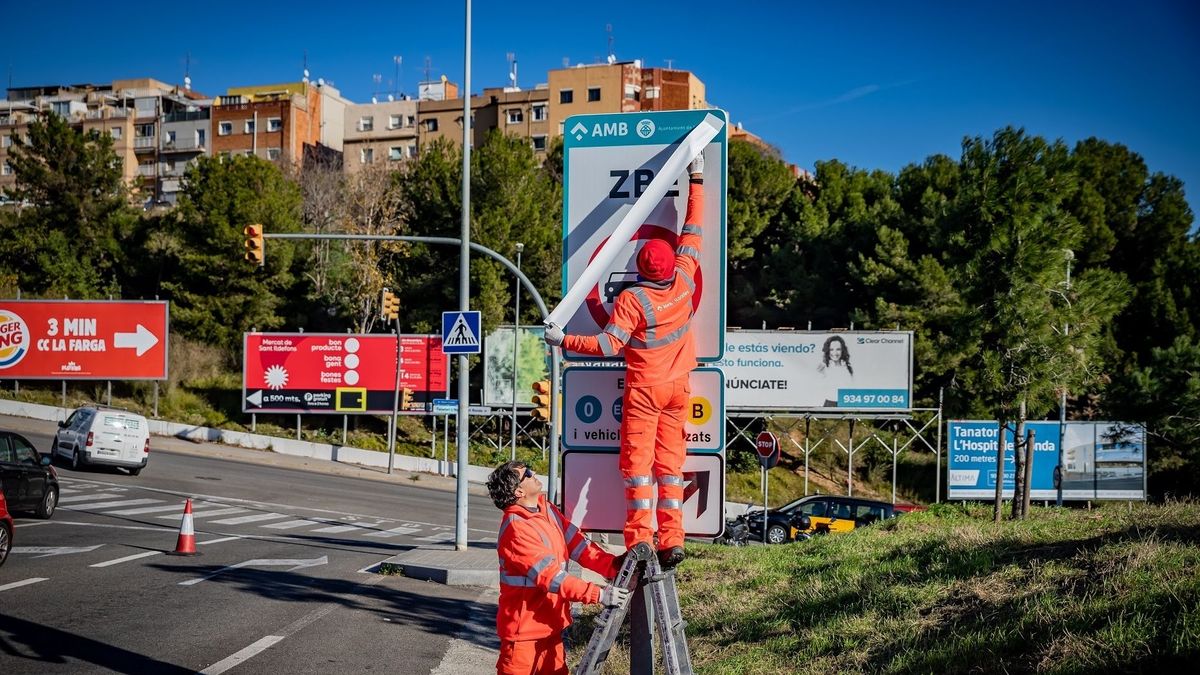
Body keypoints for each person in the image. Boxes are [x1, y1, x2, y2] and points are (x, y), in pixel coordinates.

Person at [544, 154, 706, 569]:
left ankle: (641, 539)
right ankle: (673, 539)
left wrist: (564, 340)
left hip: (646, 391)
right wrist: (697, 177)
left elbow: (608, 346)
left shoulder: (635, 299)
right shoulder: (686, 277)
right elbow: (693, 228)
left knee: (636, 469)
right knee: (670, 469)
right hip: (678, 388)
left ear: (637, 267)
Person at [487, 461, 630, 675]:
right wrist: (599, 594)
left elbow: (579, 546)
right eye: (527, 473)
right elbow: (552, 578)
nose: (533, 472)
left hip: (550, 626)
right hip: (523, 633)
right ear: (518, 491)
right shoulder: (517, 528)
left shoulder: (548, 510)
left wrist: (612, 566)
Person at [817, 335, 854, 407]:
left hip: (846, 403)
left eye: (838, 349)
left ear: (842, 350)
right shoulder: (823, 367)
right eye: (831, 349)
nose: (835, 353)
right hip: (830, 403)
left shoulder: (847, 368)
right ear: (828, 350)